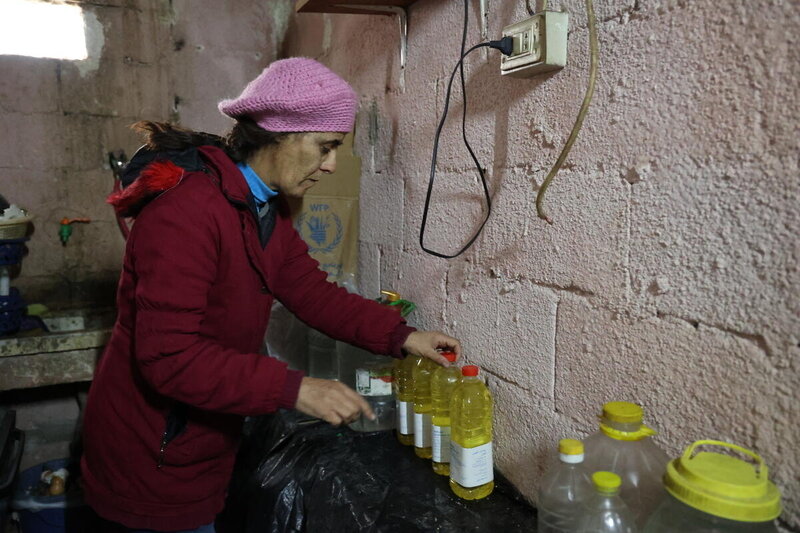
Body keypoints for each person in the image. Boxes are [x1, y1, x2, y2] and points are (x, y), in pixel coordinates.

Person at [81, 57, 461, 532]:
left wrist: (403, 336)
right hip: (150, 454)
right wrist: (293, 387)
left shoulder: (263, 207)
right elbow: (170, 357)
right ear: (279, 133)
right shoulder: (189, 211)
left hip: (201, 441)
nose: (331, 165)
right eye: (326, 147)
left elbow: (310, 292)